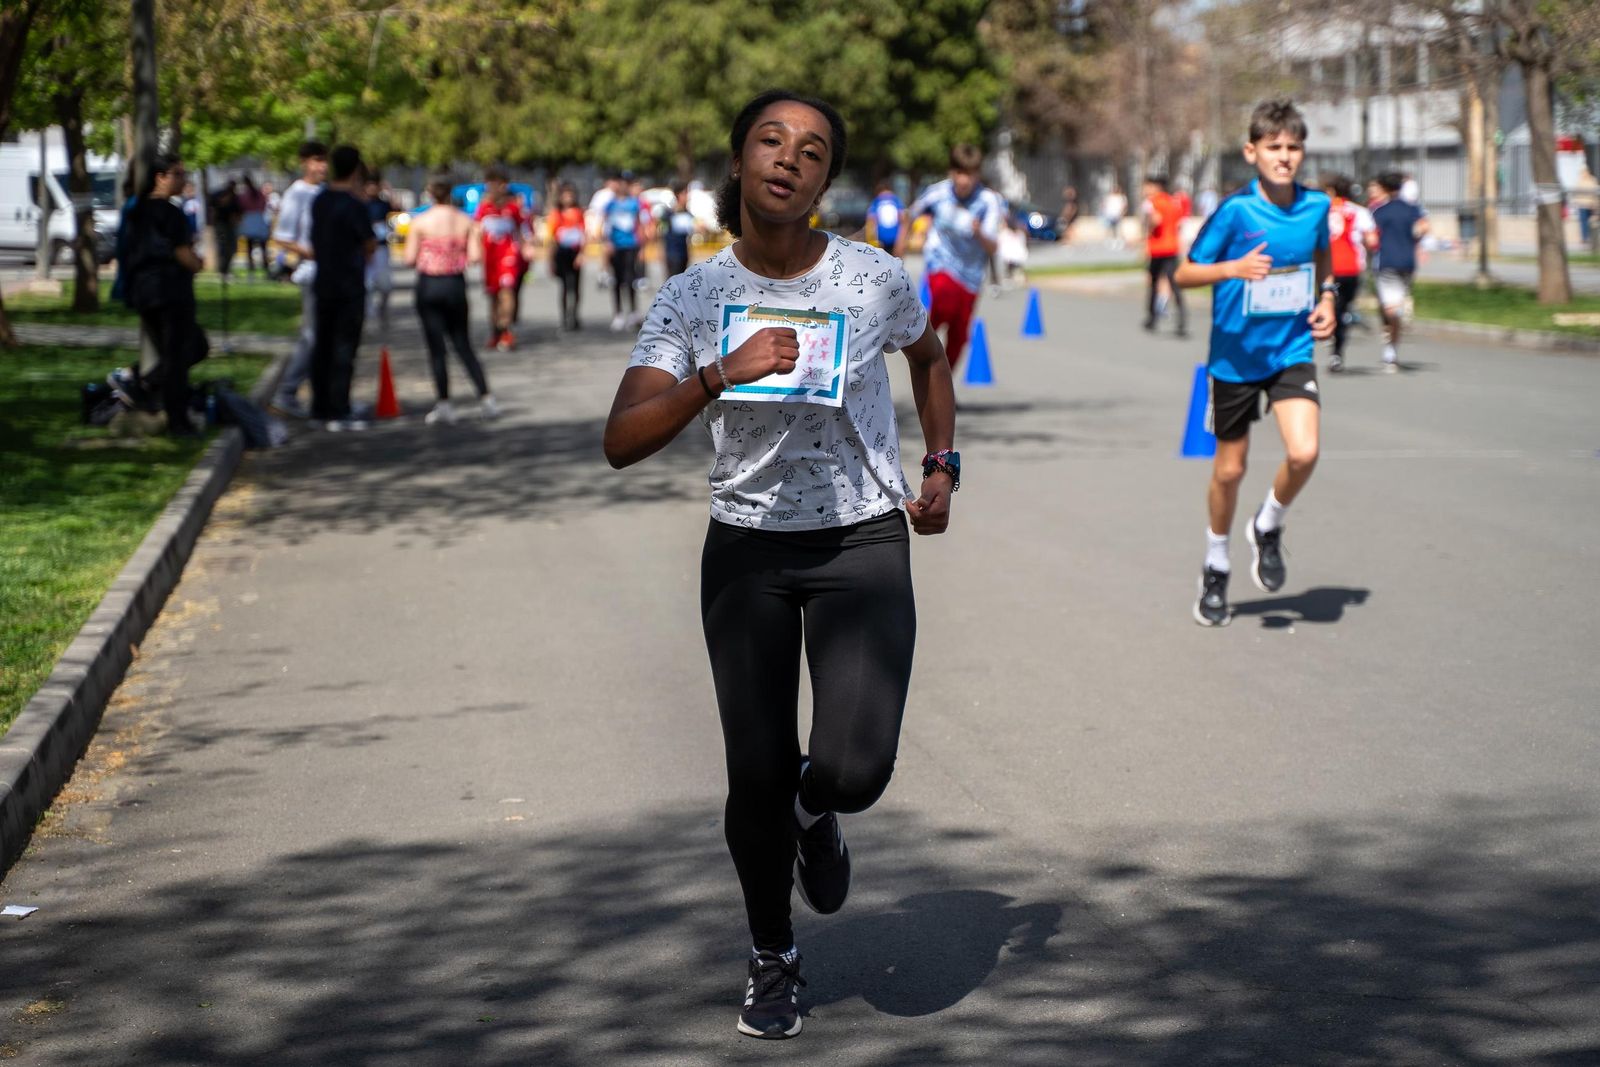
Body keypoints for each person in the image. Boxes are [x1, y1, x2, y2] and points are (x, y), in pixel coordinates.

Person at [603, 89, 957, 1041]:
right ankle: (772, 952)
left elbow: (929, 360)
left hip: (862, 537)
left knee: (855, 764)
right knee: (750, 773)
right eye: (770, 140)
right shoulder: (692, 297)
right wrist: (720, 371)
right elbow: (621, 438)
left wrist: (940, 466)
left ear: (825, 180)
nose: (788, 159)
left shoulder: (872, 278)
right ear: (739, 160)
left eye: (811, 150)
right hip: (748, 549)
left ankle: (817, 809)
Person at [1173, 99, 1337, 627]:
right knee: (1230, 470)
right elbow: (1184, 274)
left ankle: (1268, 524)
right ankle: (1216, 563)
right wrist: (1234, 268)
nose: (1285, 157)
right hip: (1235, 359)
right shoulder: (1235, 212)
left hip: (1291, 349)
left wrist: (1328, 297)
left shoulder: (1315, 207)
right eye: (1274, 148)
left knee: (1305, 450)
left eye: (1293, 147)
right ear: (1252, 152)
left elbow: (1323, 258)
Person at [894, 144, 1004, 370]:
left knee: (960, 335)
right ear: (952, 172)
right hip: (940, 263)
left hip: (971, 275)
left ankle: (942, 382)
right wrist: (898, 253)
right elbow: (908, 217)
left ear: (977, 175)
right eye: (960, 173)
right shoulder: (937, 193)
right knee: (944, 302)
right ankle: (922, 347)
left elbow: (993, 247)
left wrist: (979, 231)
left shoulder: (988, 201)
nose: (964, 180)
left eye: (970, 174)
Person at [119, 154, 204, 437]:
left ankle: (142, 383)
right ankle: (177, 421)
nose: (183, 179)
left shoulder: (135, 210)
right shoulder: (171, 212)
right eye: (178, 174)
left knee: (180, 352)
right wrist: (198, 264)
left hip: (145, 292)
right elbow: (183, 254)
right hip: (170, 292)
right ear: (160, 177)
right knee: (180, 356)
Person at [404, 173, 497, 424]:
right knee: (463, 344)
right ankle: (486, 397)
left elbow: (409, 258)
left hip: (430, 284)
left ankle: (444, 403)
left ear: (431, 193)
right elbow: (476, 257)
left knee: (437, 349)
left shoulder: (421, 222)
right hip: (455, 284)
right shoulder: (465, 221)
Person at [308, 145, 375, 431]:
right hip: (349, 285)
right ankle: (339, 408)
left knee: (323, 344)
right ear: (357, 169)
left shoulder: (320, 200)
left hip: (323, 281)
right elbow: (369, 244)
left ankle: (319, 405)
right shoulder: (354, 205)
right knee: (344, 347)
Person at [270, 141, 330, 419]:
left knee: (325, 336)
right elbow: (281, 237)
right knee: (312, 336)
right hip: (311, 272)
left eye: (325, 161)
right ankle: (287, 391)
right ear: (304, 162)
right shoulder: (296, 194)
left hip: (329, 272)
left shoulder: (324, 191)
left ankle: (322, 395)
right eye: (317, 160)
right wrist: (310, 251)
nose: (322, 166)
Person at [1366, 171, 1428, 373]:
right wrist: (1415, 240)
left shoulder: (1379, 212)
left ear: (1383, 188)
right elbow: (1423, 227)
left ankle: (1398, 311)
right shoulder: (1412, 209)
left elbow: (1372, 239)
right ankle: (1391, 352)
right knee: (1397, 301)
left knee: (1389, 308)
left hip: (1386, 261)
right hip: (1407, 261)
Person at [1320, 173, 1374, 373]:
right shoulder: (1358, 211)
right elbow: (1371, 240)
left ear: (1332, 190)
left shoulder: (1321, 209)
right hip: (1351, 267)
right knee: (1342, 309)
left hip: (1327, 268)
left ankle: (1330, 336)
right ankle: (1337, 352)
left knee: (1331, 305)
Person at [475, 165, 532, 351]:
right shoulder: (484, 207)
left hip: (508, 256)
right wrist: (475, 251)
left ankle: (507, 330)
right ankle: (495, 331)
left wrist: (526, 248)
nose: (492, 188)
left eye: (496, 184)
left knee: (507, 292)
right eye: (489, 184)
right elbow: (476, 230)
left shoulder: (513, 208)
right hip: (490, 258)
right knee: (493, 296)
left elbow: (522, 231)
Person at [603, 173, 651, 330]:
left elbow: (639, 225)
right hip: (616, 246)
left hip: (631, 245)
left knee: (630, 279)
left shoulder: (634, 204)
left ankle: (633, 312)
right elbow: (606, 225)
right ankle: (618, 313)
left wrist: (642, 246)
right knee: (616, 280)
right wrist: (607, 243)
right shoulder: (610, 205)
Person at [1141, 174, 1186, 336]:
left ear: (1155, 187)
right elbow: (1179, 223)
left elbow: (1156, 220)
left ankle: (1152, 317)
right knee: (1174, 284)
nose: (1145, 190)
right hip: (1172, 247)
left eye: (1147, 186)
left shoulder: (1153, 202)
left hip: (1158, 247)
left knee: (1154, 283)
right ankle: (1182, 319)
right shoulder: (1172, 202)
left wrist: (1147, 231)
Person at [547, 181, 587, 331]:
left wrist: (582, 254)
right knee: (564, 286)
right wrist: (550, 260)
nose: (568, 198)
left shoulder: (579, 213)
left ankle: (574, 315)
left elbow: (583, 234)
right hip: (561, 253)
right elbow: (551, 238)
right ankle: (564, 317)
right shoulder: (556, 214)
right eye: (565, 195)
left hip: (575, 252)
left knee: (576, 286)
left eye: (570, 195)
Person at [363, 171, 395, 331]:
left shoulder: (383, 203)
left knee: (385, 286)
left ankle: (383, 310)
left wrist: (389, 191)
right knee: (367, 285)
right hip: (366, 250)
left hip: (381, 248)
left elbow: (396, 208)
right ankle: (369, 316)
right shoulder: (361, 203)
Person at [662, 179, 701, 280]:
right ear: (678, 195)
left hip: (684, 253)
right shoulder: (669, 213)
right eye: (685, 193)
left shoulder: (687, 213)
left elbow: (697, 226)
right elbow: (663, 233)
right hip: (672, 254)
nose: (687, 196)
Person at [237, 175, 270, 278]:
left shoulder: (245, 195)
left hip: (250, 220)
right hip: (258, 219)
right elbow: (264, 204)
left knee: (250, 246)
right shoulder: (258, 194)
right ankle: (265, 267)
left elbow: (241, 206)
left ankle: (252, 268)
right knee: (262, 247)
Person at [210, 179, 242, 278]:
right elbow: (212, 207)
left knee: (232, 248)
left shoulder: (235, 197)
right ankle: (222, 270)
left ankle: (226, 269)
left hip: (230, 225)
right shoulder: (219, 195)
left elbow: (238, 211)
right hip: (221, 224)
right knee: (223, 247)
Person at [868, 180, 903, 250]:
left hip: (891, 238)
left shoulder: (877, 201)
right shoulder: (895, 200)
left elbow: (871, 220)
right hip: (884, 239)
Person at [998, 214, 1029, 287]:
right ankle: (1016, 276)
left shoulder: (1004, 233)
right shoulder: (1020, 233)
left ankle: (1011, 276)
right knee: (1016, 269)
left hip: (1010, 256)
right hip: (1019, 256)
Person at [1100, 184, 1127, 249]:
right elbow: (1104, 204)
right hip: (1110, 215)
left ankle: (1119, 242)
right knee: (1109, 229)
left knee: (1118, 229)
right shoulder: (1110, 197)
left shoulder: (1121, 197)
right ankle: (1110, 242)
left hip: (1117, 215)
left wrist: (1122, 213)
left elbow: (1124, 206)